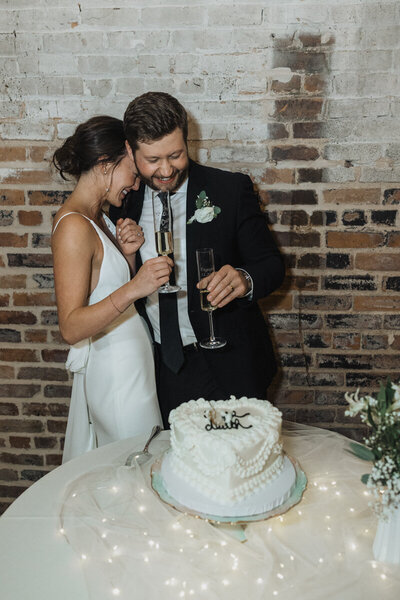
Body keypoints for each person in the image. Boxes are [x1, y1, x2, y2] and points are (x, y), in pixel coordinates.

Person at [110, 93, 285, 427]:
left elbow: (271, 265)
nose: (165, 169)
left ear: (187, 141)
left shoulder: (230, 189)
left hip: (229, 365)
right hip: (158, 368)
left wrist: (244, 279)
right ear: (130, 151)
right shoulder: (122, 201)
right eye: (152, 159)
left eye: (175, 155)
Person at [52, 115, 172, 462]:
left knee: (140, 464)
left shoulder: (99, 218)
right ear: (106, 164)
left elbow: (104, 290)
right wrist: (136, 286)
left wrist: (129, 258)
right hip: (116, 378)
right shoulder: (74, 226)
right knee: (134, 470)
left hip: (131, 367)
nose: (135, 185)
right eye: (133, 173)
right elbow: (71, 327)